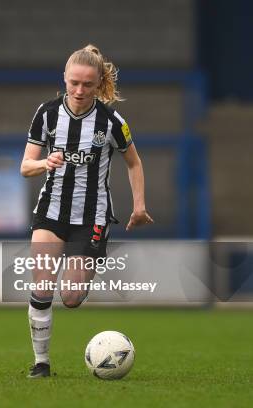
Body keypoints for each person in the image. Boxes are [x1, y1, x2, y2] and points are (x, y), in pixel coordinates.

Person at [20, 44, 153, 378]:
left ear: (98, 84)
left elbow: (134, 162)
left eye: (88, 85)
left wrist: (139, 206)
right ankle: (41, 362)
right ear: (64, 79)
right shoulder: (47, 113)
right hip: (50, 213)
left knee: (72, 297)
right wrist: (44, 163)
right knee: (41, 285)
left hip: (91, 217)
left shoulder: (111, 121)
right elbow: (25, 166)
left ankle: (83, 274)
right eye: (74, 83)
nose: (79, 91)